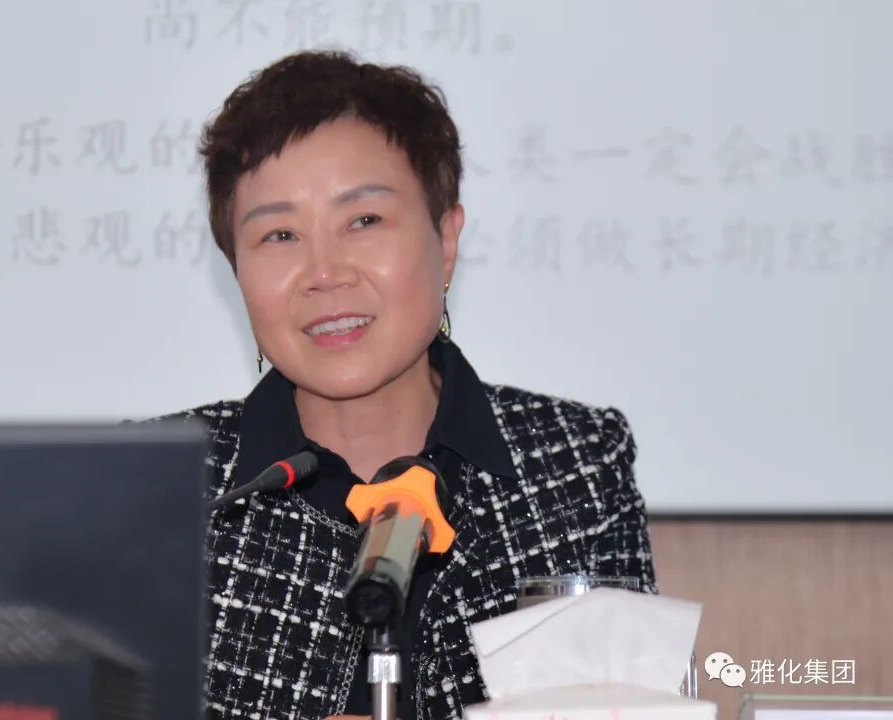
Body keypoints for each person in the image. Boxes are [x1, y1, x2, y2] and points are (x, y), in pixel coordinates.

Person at [148, 50, 657, 720]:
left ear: (445, 241)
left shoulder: (576, 468)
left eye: (363, 222)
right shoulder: (166, 490)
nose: (324, 273)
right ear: (236, 269)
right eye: (279, 235)